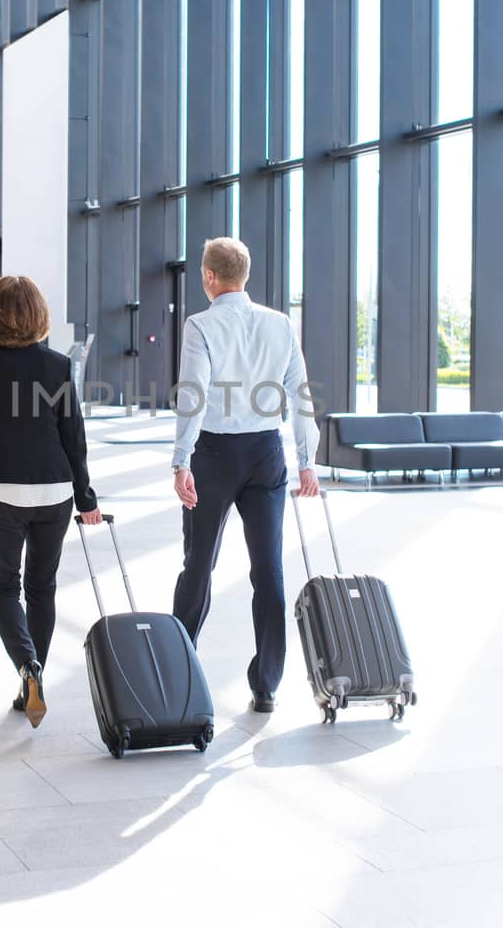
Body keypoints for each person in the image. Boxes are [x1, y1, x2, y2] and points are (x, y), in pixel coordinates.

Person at [171, 237, 319, 713]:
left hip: (214, 453)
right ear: (245, 274)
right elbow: (301, 394)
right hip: (265, 454)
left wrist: (181, 460)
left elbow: (192, 395)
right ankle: (267, 683)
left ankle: (179, 668)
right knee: (269, 569)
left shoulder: (201, 324)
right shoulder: (280, 324)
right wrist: (306, 459)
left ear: (210, 277)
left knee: (199, 564)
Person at [0, 275, 101, 728]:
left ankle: (27, 666)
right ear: (39, 315)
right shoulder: (58, 366)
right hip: (55, 491)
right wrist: (85, 497)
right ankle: (30, 680)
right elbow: (73, 435)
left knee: (2, 589)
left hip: (0, 489)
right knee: (42, 588)